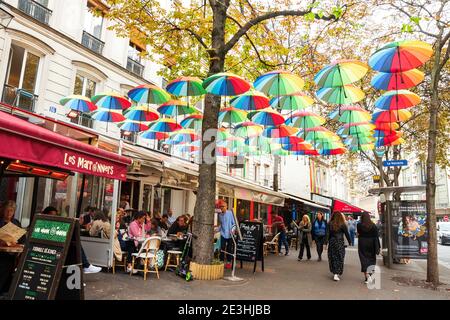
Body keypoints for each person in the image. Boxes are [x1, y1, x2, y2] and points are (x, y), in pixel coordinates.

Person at [40, 206, 101, 274]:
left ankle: (82, 270)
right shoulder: (43, 223)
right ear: (46, 215)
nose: (54, 218)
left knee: (73, 246)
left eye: (56, 216)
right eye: (52, 215)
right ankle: (85, 266)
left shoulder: (53, 224)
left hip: (55, 246)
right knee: (73, 247)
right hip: (49, 248)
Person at [0, 201, 25, 295]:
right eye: (7, 210)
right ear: (3, 210)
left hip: (12, 256)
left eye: (12, 211)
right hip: (1, 256)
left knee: (9, 279)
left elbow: (23, 240)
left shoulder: (16, 223)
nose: (9, 213)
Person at [326, 212, 352, 281]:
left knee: (332, 257)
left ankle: (335, 272)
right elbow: (347, 234)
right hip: (340, 242)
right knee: (340, 257)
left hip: (332, 242)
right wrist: (350, 242)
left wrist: (325, 243)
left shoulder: (330, 223)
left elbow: (327, 234)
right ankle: (337, 273)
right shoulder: (342, 224)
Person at [357, 212, 380, 284]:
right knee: (371, 259)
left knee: (363, 259)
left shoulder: (359, 225)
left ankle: (367, 277)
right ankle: (369, 275)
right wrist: (378, 246)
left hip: (362, 242)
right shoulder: (373, 225)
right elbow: (376, 236)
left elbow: (358, 233)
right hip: (371, 243)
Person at [217, 200, 236, 269]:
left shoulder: (230, 213)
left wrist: (233, 230)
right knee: (222, 248)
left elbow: (234, 223)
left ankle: (228, 262)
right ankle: (221, 261)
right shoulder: (220, 215)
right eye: (221, 206)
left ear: (226, 206)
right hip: (223, 234)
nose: (222, 208)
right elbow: (221, 225)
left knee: (229, 249)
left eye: (223, 206)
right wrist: (216, 230)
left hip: (230, 234)